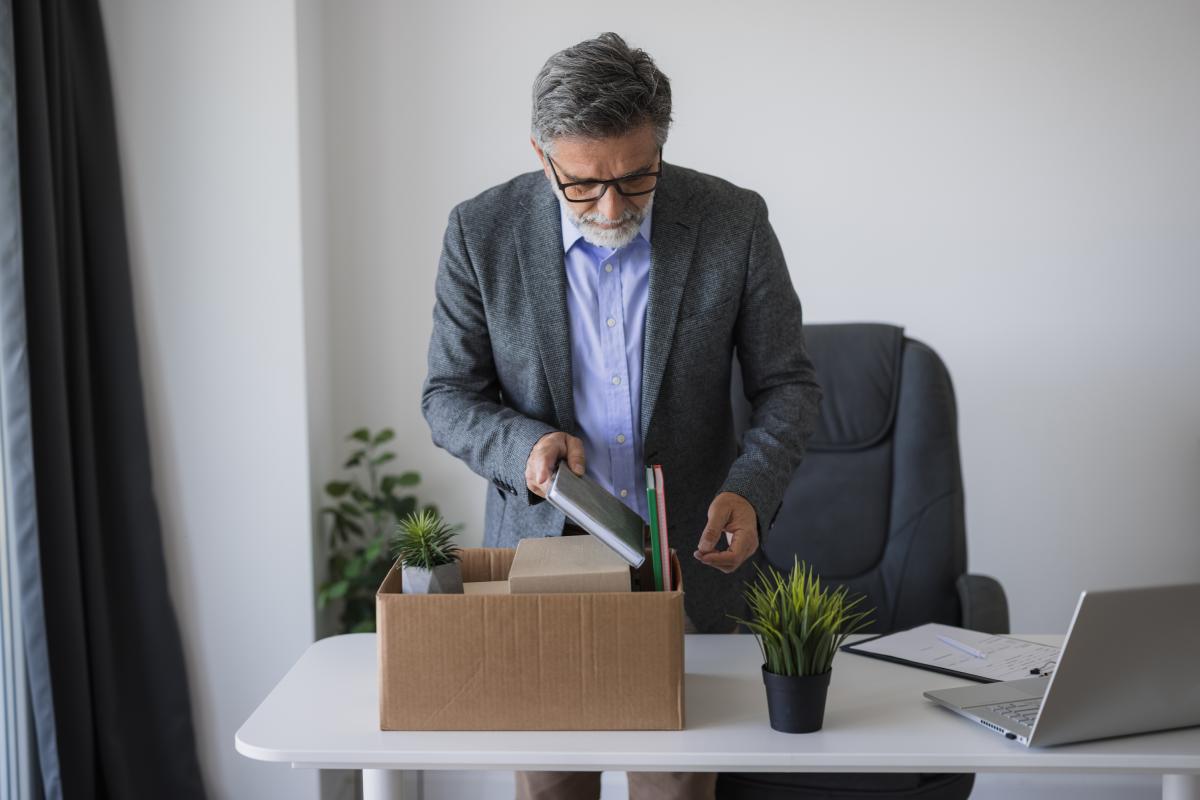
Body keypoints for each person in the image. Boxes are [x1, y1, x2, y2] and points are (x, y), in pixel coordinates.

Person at [421, 32, 822, 800]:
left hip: (686, 570)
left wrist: (753, 489)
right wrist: (524, 446)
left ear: (660, 145)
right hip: (542, 567)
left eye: (637, 177)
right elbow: (447, 394)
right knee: (551, 787)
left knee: (675, 786)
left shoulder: (731, 222)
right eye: (582, 183)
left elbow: (788, 385)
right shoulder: (481, 232)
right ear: (543, 156)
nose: (612, 206)